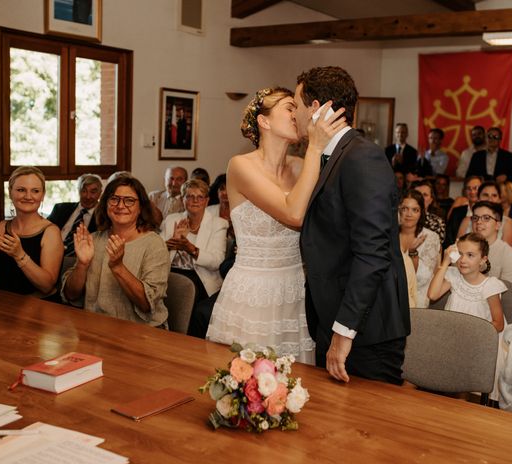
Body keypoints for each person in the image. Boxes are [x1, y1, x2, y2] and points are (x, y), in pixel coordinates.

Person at [206, 86, 347, 364]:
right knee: (246, 382)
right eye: (289, 107)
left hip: (294, 289)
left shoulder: (301, 166)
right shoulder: (240, 166)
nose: (297, 113)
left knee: (292, 386)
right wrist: (315, 147)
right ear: (264, 121)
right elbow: (293, 214)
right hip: (253, 293)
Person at [297, 66, 410, 384]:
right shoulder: (328, 156)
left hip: (365, 330)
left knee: (368, 429)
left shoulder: (362, 158)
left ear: (317, 109)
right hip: (333, 319)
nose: (295, 115)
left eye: (298, 106)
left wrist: (343, 331)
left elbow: (373, 254)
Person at [62, 176, 170, 327]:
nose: (120, 205)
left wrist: (118, 267)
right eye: (114, 199)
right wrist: (82, 264)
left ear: (141, 207)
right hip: (96, 327)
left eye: (129, 200)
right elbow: (70, 295)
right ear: (106, 204)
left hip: (142, 332)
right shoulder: (93, 240)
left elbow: (147, 305)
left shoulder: (154, 244)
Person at [428, 233, 506, 399]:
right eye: (460, 254)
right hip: (451, 340)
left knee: (462, 392)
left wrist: (470, 337)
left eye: (470, 255)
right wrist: (446, 261)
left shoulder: (490, 285)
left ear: (483, 259)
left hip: (477, 345)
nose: (463, 260)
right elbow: (433, 295)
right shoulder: (454, 276)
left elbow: (498, 324)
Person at [160, 179, 228, 337]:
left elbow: (217, 261)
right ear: (183, 200)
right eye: (189, 196)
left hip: (201, 278)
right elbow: (155, 252)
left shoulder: (218, 224)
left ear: (207, 200)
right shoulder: (171, 220)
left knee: (189, 298)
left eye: (200, 197)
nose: (195, 200)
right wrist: (170, 244)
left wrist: (189, 247)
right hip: (170, 274)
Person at [0, 166, 63, 298]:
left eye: (35, 191)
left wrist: (19, 255)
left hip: (39, 309)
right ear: (10, 192)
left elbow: (47, 286)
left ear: (42, 195)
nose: (28, 196)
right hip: (3, 305)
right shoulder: (2, 227)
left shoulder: (51, 232)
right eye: (21, 190)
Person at [398, 190, 440, 308]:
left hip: (418, 301)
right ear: (398, 210)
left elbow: (420, 278)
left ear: (421, 213)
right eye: (405, 209)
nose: (409, 214)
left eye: (415, 210)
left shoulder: (430, 238)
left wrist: (412, 252)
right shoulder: (389, 236)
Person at [48, 173, 102, 257]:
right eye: (84, 191)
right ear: (78, 191)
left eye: (93, 192)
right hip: (52, 254)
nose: (88, 196)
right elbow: (44, 230)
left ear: (100, 193)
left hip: (81, 259)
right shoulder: (60, 209)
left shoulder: (104, 216)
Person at [470, 201, 512, 290]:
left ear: (498, 225)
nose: (478, 222)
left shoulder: (507, 253)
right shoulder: (462, 248)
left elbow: (510, 292)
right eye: (475, 218)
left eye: (486, 218)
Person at [456, 181, 512, 248]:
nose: (490, 199)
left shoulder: (507, 222)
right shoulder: (467, 221)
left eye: (494, 195)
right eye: (486, 195)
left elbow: (506, 252)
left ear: (499, 199)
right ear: (478, 199)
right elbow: (457, 247)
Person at [411, 179, 445, 243]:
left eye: (425, 195)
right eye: (418, 194)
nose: (421, 198)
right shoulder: (403, 218)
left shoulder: (438, 222)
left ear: (431, 200)